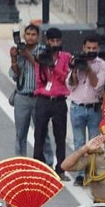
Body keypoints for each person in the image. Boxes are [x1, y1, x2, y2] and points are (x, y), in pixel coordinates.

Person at [67, 36, 105, 185]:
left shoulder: (102, 65)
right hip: (77, 107)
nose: (91, 51)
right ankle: (80, 175)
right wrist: (75, 69)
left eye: (94, 48)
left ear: (98, 49)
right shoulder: (77, 60)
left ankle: (92, 173)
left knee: (94, 144)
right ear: (83, 48)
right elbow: (70, 85)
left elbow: (98, 85)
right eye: (88, 48)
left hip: (94, 108)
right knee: (79, 143)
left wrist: (88, 69)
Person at [10, 23, 52, 162]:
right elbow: (15, 75)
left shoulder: (43, 50)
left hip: (39, 97)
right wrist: (14, 58)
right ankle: (20, 163)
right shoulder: (19, 50)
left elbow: (44, 68)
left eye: (33, 34)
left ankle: (48, 162)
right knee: (20, 134)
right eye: (28, 34)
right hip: (22, 96)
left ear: (38, 37)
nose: (30, 37)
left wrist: (28, 55)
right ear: (24, 36)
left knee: (42, 133)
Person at [33, 28, 72, 178]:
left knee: (60, 135)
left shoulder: (66, 57)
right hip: (43, 99)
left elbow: (65, 77)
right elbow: (39, 80)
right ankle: (38, 166)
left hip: (59, 100)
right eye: (52, 41)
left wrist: (53, 67)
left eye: (57, 41)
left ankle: (60, 169)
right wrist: (45, 64)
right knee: (39, 134)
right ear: (47, 41)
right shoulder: (42, 57)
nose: (55, 44)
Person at [63, 126, 105, 202]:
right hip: (100, 205)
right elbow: (65, 166)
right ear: (103, 138)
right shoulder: (94, 156)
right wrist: (85, 148)